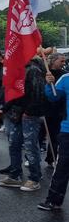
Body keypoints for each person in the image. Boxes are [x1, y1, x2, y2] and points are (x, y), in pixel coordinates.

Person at [0, 58, 46, 192]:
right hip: (15, 114)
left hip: (29, 116)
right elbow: (14, 94)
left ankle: (34, 178)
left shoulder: (33, 70)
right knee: (14, 145)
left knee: (30, 146)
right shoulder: (16, 71)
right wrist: (4, 109)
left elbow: (38, 94)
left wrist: (29, 112)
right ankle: (15, 175)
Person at [40, 67, 69, 211]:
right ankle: (53, 200)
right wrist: (49, 84)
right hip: (67, 130)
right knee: (62, 166)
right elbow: (54, 97)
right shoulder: (65, 78)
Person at [43, 52, 65, 166]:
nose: (63, 63)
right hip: (48, 110)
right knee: (51, 135)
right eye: (61, 61)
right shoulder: (45, 74)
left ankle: (56, 157)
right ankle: (51, 158)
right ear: (53, 61)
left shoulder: (65, 74)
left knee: (60, 135)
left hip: (62, 110)